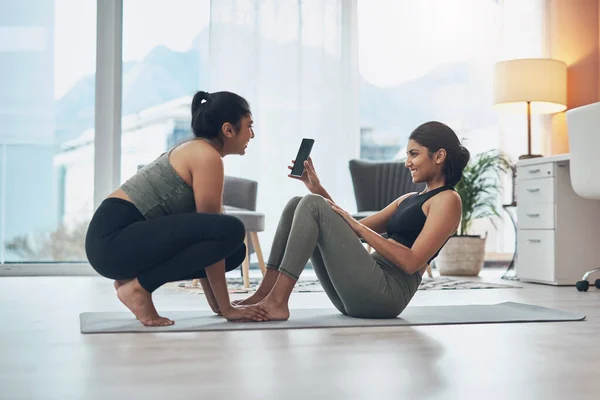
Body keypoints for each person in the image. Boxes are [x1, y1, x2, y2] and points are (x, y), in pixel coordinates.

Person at [235, 121, 470, 320]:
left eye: (414, 154)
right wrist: (318, 189)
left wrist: (353, 223)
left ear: (439, 155)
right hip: (363, 286)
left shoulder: (448, 200)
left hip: (386, 294)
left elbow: (411, 263)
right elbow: (352, 229)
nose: (407, 162)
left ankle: (278, 302)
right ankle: (265, 294)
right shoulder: (409, 198)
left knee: (311, 204)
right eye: (407, 154)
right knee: (297, 203)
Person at [85, 90, 269, 326]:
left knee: (234, 252)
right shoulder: (206, 156)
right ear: (228, 129)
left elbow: (206, 238)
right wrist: (228, 309)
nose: (252, 134)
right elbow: (216, 230)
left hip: (114, 244)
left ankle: (132, 282)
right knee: (231, 230)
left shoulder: (197, 151)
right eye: (249, 126)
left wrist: (219, 307)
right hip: (112, 238)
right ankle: (139, 289)